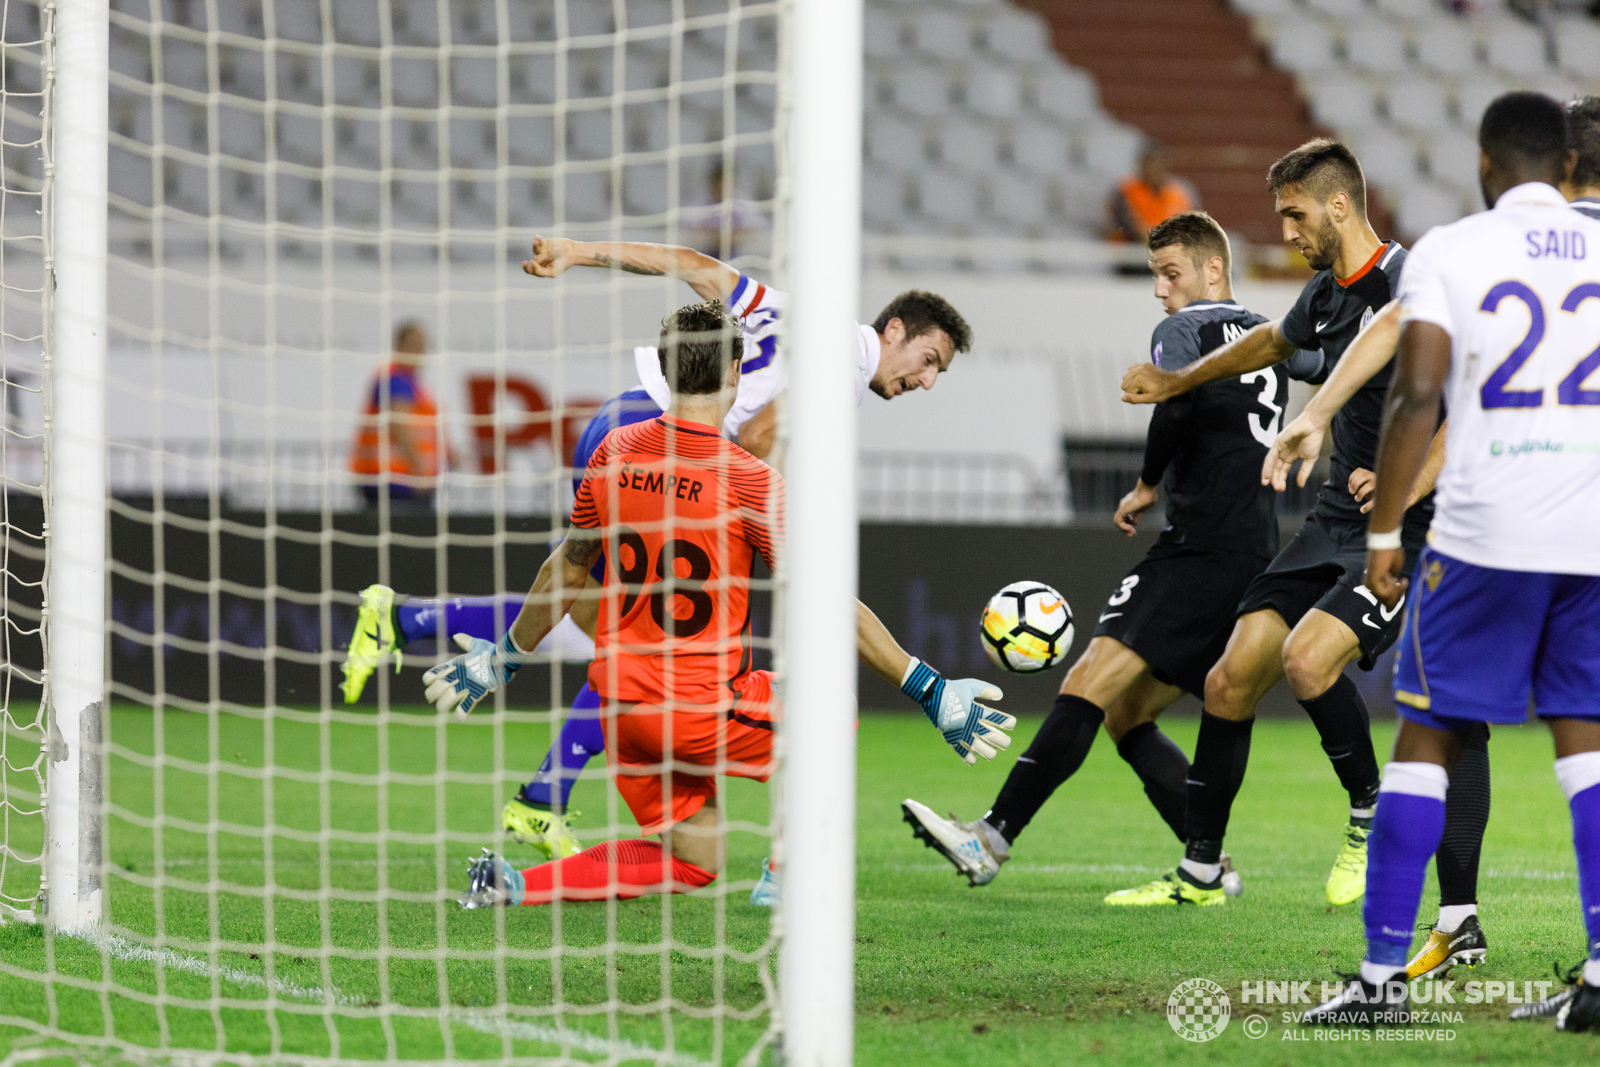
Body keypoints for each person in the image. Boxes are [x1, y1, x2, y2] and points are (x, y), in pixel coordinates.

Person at [340, 237, 974, 869]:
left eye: (937, 373)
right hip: (664, 449)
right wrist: (748, 513)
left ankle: (528, 772)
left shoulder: (794, 313)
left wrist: (582, 251)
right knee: (629, 633)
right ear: (893, 330)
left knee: (611, 624)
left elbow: (691, 267)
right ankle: (423, 640)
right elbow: (754, 436)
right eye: (928, 360)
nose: (926, 380)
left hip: (623, 422)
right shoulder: (841, 374)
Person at [901, 211, 1322, 898]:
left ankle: (991, 836)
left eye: (1170, 273)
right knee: (1128, 713)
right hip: (1251, 550)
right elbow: (1317, 359)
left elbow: (1172, 399)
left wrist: (1148, 482)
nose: (1160, 291)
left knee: (1087, 681)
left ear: (1213, 270)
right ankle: (1209, 867)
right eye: (1156, 277)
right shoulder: (1270, 334)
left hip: (1196, 550)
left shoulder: (1183, 329)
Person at [1303, 91, 1600, 1031]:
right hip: (1590, 534)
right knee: (1587, 747)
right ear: (1565, 166)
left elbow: (1418, 391)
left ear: (1484, 164)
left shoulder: (1453, 250)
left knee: (1426, 739)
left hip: (1482, 535)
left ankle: (1383, 976)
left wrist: (1385, 530)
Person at [1116, 139, 1448, 908]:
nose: (1287, 231)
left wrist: (1402, 481)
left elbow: (1465, 405)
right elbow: (1268, 342)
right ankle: (1200, 873)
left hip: (1407, 525)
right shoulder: (1328, 294)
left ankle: (1370, 810)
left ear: (1338, 205)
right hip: (1335, 514)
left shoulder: (1412, 283)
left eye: (1294, 215)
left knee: (1306, 662)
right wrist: (1176, 378)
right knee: (1230, 677)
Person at [348, 321, 446, 509]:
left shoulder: (414, 384)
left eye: (422, 345)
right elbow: (398, 426)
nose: (420, 351)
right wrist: (420, 469)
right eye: (414, 345)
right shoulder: (396, 379)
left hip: (398, 479)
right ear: (399, 345)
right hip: (395, 481)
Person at [1108, 140, 1201, 244]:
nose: (1153, 168)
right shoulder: (1125, 190)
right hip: (1131, 252)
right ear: (1142, 165)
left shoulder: (1181, 193)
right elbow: (1124, 224)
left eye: (1158, 163)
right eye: (1149, 163)